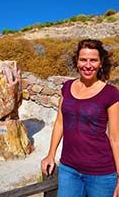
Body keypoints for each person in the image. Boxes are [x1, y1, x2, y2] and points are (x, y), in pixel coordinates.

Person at [41, 39, 119, 197]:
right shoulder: (67, 87)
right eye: (83, 59)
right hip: (68, 169)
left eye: (93, 60)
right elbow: (60, 122)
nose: (88, 65)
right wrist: (51, 154)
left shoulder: (111, 93)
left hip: (101, 173)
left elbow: (115, 138)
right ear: (76, 62)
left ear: (101, 62)